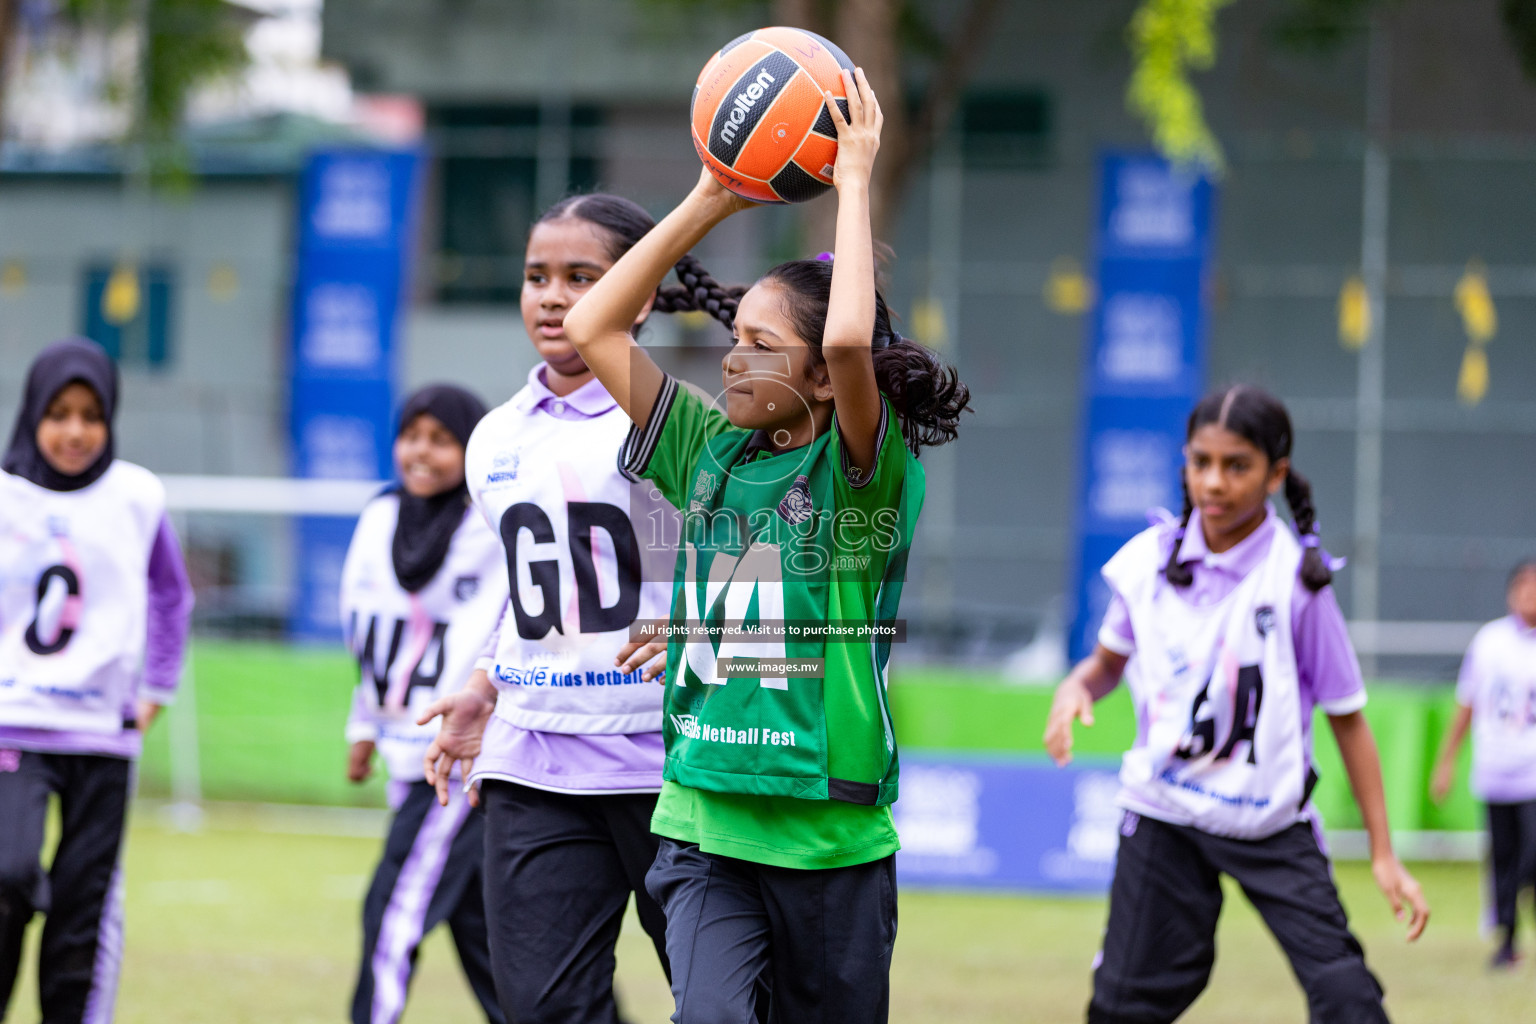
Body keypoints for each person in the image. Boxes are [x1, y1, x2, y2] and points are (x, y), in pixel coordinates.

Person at [562, 68, 968, 1024]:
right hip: (705, 817)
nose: (732, 358)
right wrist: (711, 192)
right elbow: (594, 324)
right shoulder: (706, 449)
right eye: (731, 338)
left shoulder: (863, 470)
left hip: (829, 838)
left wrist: (855, 177)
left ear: (821, 384)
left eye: (758, 343)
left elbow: (848, 346)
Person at [1044, 384, 1429, 1024]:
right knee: (1122, 1006)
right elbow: (1106, 666)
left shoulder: (1298, 583)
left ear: (1276, 474)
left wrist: (1384, 853)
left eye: (1237, 465)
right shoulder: (1145, 564)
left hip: (1268, 820)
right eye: (1201, 463)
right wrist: (1074, 688)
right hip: (1164, 810)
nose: (1214, 483)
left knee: (1348, 998)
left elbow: (1349, 719)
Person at [419, 191, 711, 1024]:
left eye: (582, 277)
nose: (552, 296)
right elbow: (535, 594)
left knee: (725, 1004)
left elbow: (745, 571)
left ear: (639, 292)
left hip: (671, 765)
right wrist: (482, 686)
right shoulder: (495, 438)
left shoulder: (665, 424)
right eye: (536, 276)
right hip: (534, 762)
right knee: (541, 1011)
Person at [0, 338, 194, 1024]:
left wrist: (155, 690)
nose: (75, 431)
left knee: (85, 905)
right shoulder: (5, 495)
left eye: (91, 414)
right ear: (32, 415)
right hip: (12, 726)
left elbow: (171, 596)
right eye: (58, 413)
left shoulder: (136, 497)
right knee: (8, 872)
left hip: (103, 735)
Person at [341, 384, 507, 1024]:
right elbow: (374, 633)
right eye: (412, 435)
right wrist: (362, 724)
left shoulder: (490, 523)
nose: (422, 452)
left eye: (442, 440)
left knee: (390, 914)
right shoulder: (379, 517)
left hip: (459, 761)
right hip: (403, 753)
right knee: (493, 944)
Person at [1431, 558, 1536, 969]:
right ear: (1511, 593)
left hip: (1533, 770)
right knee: (1503, 857)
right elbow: (1467, 703)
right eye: (1524, 587)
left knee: (1532, 854)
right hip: (1495, 767)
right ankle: (1506, 941)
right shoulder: (1489, 641)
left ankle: (1513, 901)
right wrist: (1446, 761)